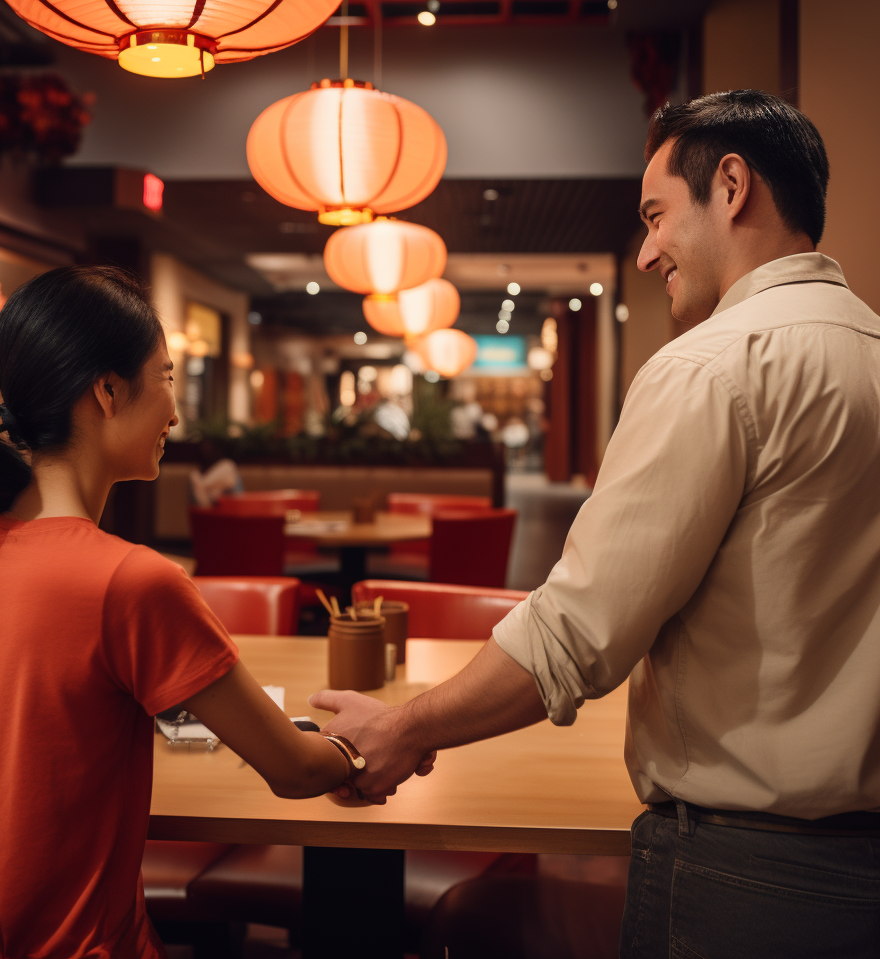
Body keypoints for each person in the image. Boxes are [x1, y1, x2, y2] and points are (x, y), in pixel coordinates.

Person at [313, 90, 880, 957]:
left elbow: (580, 630)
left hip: (744, 872)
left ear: (732, 187)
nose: (648, 250)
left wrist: (404, 730)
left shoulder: (711, 367)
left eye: (656, 216)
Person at [0, 266, 367, 959]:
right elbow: (297, 772)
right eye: (165, 379)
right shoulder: (131, 580)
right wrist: (362, 741)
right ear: (106, 391)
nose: (175, 411)